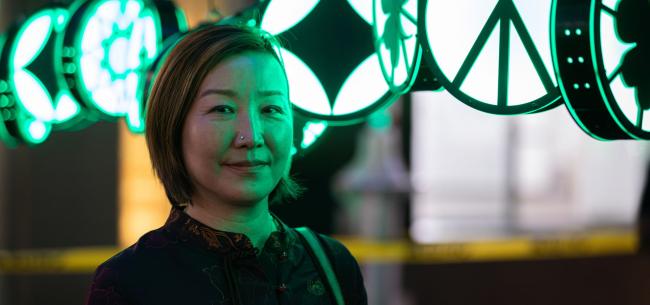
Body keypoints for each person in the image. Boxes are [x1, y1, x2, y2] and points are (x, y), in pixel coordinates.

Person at [85, 24, 367, 305]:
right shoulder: (130, 281)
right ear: (172, 127)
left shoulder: (332, 265)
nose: (251, 136)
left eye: (271, 109)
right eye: (222, 109)